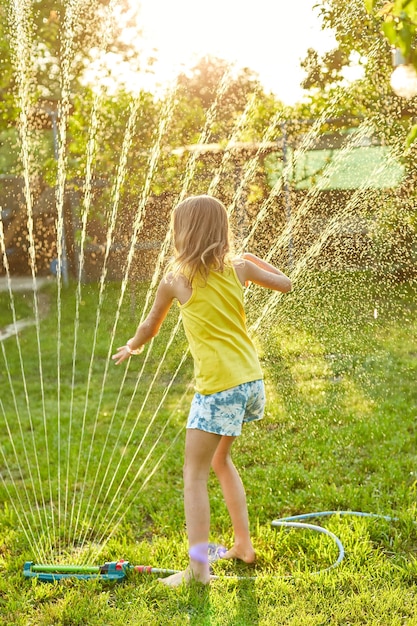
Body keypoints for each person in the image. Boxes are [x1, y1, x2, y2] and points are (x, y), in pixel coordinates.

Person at [112, 195, 292, 587]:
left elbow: (150, 325)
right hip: (250, 383)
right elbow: (286, 283)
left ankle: (198, 572)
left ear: (183, 234)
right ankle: (243, 545)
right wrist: (252, 258)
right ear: (221, 231)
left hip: (218, 390)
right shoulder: (240, 268)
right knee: (220, 461)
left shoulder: (176, 280)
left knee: (193, 473)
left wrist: (133, 345)